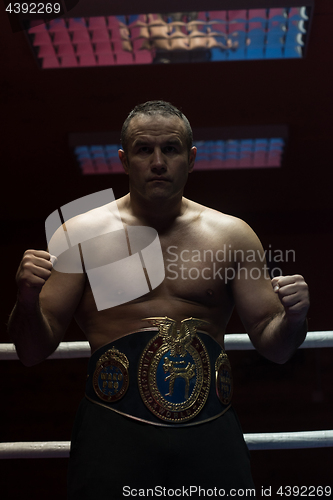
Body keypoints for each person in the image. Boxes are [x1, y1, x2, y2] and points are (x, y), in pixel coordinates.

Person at [8, 100, 309, 499]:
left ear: (191, 158)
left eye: (170, 149)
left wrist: (294, 317)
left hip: (210, 430)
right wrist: (26, 301)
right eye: (143, 149)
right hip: (112, 430)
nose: (158, 162)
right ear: (123, 159)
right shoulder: (79, 234)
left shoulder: (233, 235)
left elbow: (276, 348)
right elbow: (30, 352)